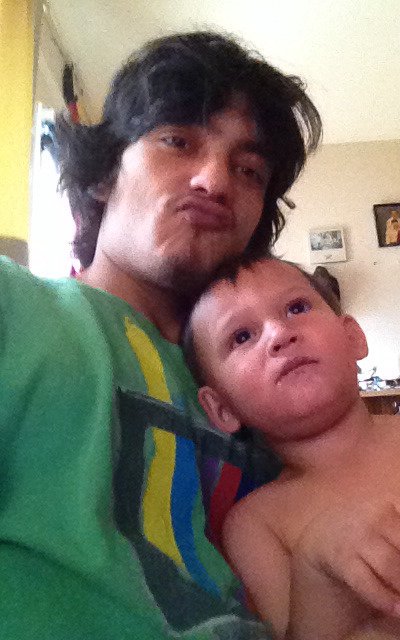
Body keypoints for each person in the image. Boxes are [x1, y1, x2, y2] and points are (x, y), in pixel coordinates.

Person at [0, 30, 321, 640]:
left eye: (248, 170)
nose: (215, 181)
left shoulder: (272, 380)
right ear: (103, 174)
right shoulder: (13, 306)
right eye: (177, 141)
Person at [182, 255, 400, 640]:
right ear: (222, 408)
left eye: (296, 308)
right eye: (241, 336)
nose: (278, 334)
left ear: (353, 337)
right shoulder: (256, 523)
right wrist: (316, 575)